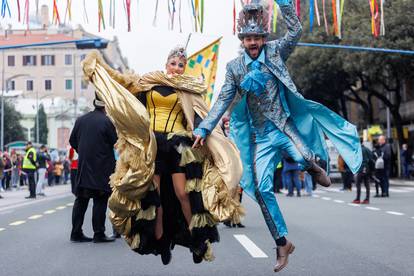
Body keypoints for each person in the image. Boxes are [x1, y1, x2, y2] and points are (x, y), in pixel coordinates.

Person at [192, 0, 362, 272]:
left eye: (257, 37)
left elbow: (295, 32)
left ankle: (313, 166)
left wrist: (285, 5)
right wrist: (204, 127)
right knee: (261, 190)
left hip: (284, 126)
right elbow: (223, 100)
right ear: (243, 40)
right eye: (248, 38)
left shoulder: (275, 52)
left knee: (303, 155)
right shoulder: (235, 68)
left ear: (263, 38)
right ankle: (282, 243)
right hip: (260, 138)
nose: (253, 43)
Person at [82, 46, 243, 265]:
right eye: (173, 63)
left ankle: (197, 240)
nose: (176, 68)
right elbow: (123, 88)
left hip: (178, 146)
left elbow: (198, 117)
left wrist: (199, 133)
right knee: (155, 197)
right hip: (153, 146)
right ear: (166, 64)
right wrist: (100, 71)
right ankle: (161, 241)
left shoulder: (189, 89)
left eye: (181, 65)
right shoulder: (148, 82)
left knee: (183, 193)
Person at [69, 96, 118, 243]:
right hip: (102, 167)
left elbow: (72, 141)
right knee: (100, 199)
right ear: (106, 106)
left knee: (81, 200)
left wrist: (83, 151)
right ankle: (99, 233)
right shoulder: (107, 121)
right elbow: (115, 141)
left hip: (84, 166)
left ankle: (76, 233)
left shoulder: (81, 120)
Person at [352, 139, 374, 204]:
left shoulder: (358, 150)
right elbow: (371, 157)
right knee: (367, 184)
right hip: (367, 168)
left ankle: (358, 199)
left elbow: (355, 159)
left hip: (361, 168)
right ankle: (367, 199)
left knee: (358, 183)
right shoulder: (367, 149)